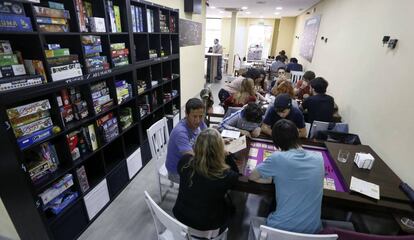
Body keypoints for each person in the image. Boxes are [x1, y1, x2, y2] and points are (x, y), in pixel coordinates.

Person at [249, 119, 324, 234]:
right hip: (313, 232)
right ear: (296, 134)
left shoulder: (278, 158)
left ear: (277, 142)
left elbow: (252, 176)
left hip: (279, 230)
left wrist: (272, 180)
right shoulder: (319, 158)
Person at [173, 128, 239, 235]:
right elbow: (236, 175)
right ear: (219, 151)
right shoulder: (226, 176)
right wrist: (227, 156)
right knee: (232, 210)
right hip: (208, 226)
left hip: (181, 216)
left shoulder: (184, 161)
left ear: (196, 147)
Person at [166, 98, 207, 182]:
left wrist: (219, 141)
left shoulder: (199, 120)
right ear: (186, 114)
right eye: (194, 116)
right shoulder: (180, 132)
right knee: (206, 180)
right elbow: (192, 157)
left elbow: (208, 135)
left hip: (188, 162)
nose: (198, 120)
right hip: (176, 171)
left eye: (201, 116)